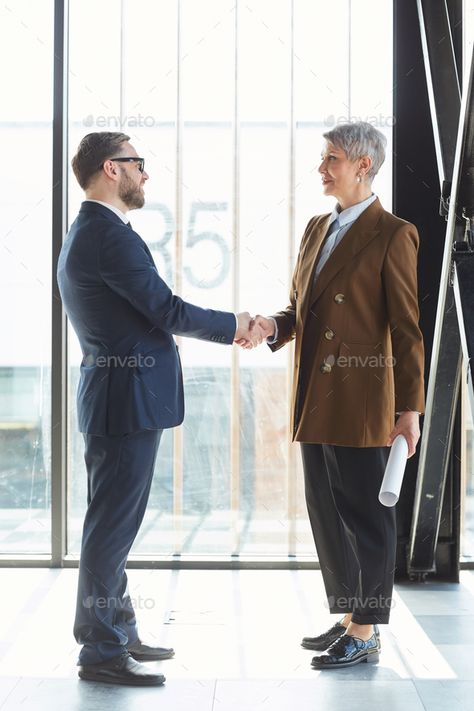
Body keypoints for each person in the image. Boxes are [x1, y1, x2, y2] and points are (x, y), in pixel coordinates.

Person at [57, 131, 254, 686]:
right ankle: (100, 650)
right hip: (125, 404)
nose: (146, 173)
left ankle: (117, 630)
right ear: (110, 169)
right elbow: (165, 310)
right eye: (137, 163)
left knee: (112, 525)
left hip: (118, 400)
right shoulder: (107, 236)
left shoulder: (93, 232)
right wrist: (236, 326)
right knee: (111, 529)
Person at [240, 122, 425, 669]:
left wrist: (410, 408)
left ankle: (366, 629)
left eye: (333, 159)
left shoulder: (394, 233)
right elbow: (299, 312)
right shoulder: (317, 228)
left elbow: (408, 328)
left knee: (365, 514)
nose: (323, 168)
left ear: (363, 165)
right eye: (324, 158)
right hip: (313, 396)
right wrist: (270, 328)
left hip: (364, 399)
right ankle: (349, 616)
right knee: (327, 508)